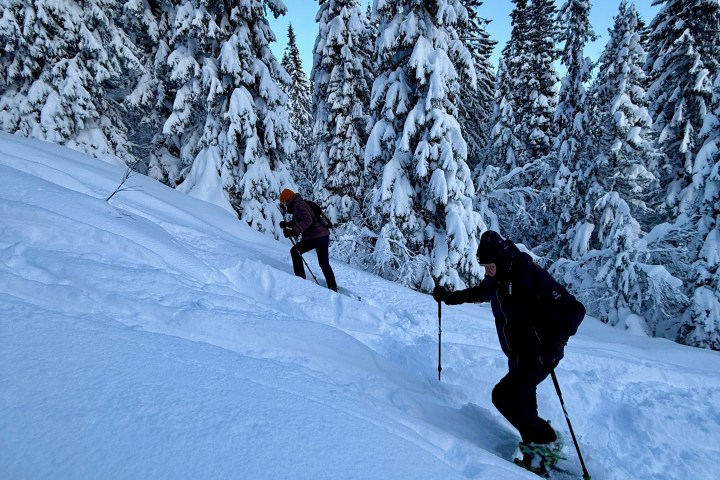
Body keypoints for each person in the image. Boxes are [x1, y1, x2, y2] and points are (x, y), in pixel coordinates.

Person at [432, 230, 585, 474]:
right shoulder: (498, 278)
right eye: (484, 267)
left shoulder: (530, 275)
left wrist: (556, 341)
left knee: (503, 396)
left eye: (489, 266)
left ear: (500, 261)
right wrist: (449, 298)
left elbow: (575, 309)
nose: (486, 272)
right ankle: (535, 451)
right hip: (518, 353)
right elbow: (479, 293)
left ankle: (547, 440)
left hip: (540, 352)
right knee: (523, 403)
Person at [279, 188, 338, 292]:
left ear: (287, 200)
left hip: (315, 237)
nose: (284, 206)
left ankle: (300, 281)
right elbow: (300, 220)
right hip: (323, 236)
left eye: (283, 203)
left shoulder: (298, 206)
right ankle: (332, 287)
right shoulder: (299, 204)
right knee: (324, 263)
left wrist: (293, 231)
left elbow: (308, 220)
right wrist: (287, 224)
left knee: (295, 252)